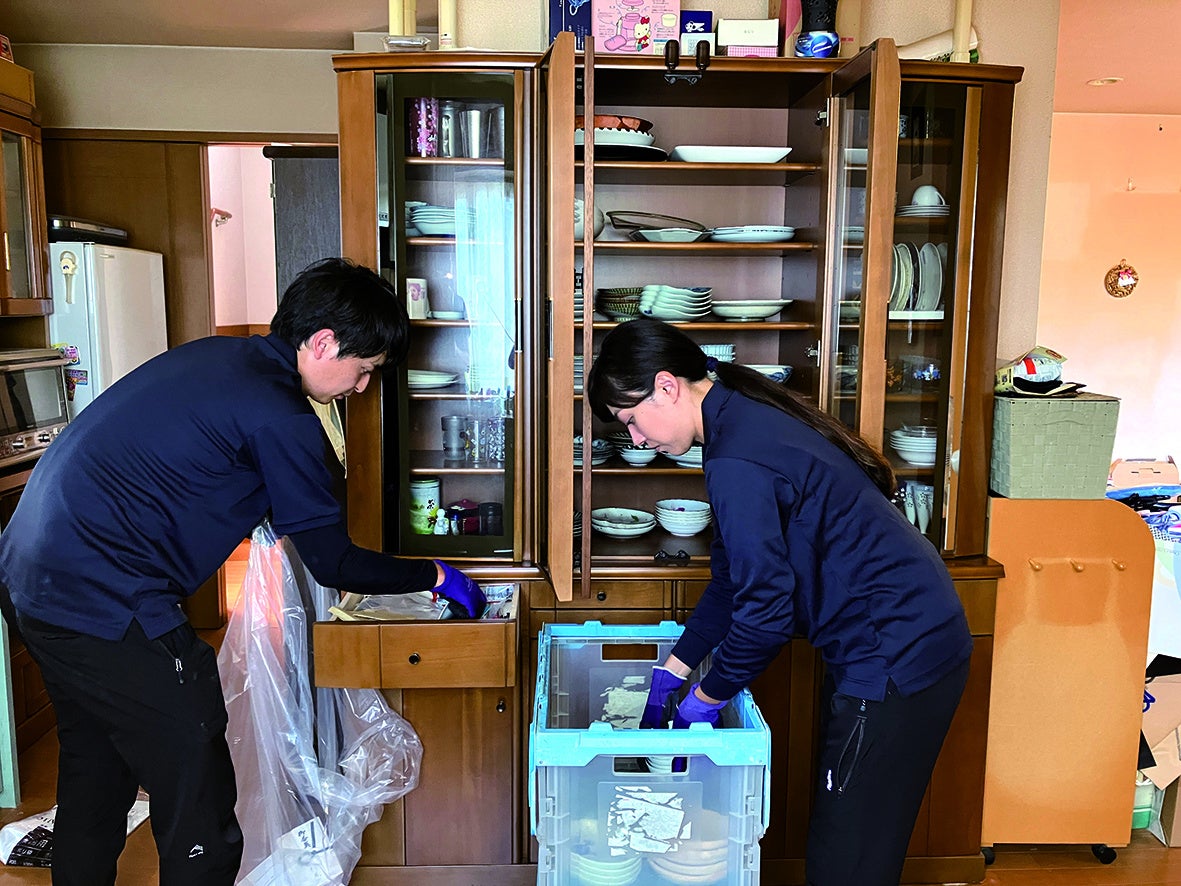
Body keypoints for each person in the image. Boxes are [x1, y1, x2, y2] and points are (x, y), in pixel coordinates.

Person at [0, 257, 485, 886]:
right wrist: (438, 576)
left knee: (96, 765)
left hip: (28, 577)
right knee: (198, 795)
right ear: (323, 343)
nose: (363, 387)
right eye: (364, 369)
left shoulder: (220, 358)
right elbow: (334, 561)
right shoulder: (280, 413)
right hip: (106, 597)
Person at [586, 318, 971, 886]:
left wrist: (702, 702)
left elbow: (765, 614)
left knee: (846, 860)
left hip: (896, 652)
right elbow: (733, 582)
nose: (638, 440)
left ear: (666, 387)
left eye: (631, 422)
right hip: (908, 634)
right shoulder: (737, 420)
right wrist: (675, 668)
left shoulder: (735, 457)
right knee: (857, 845)